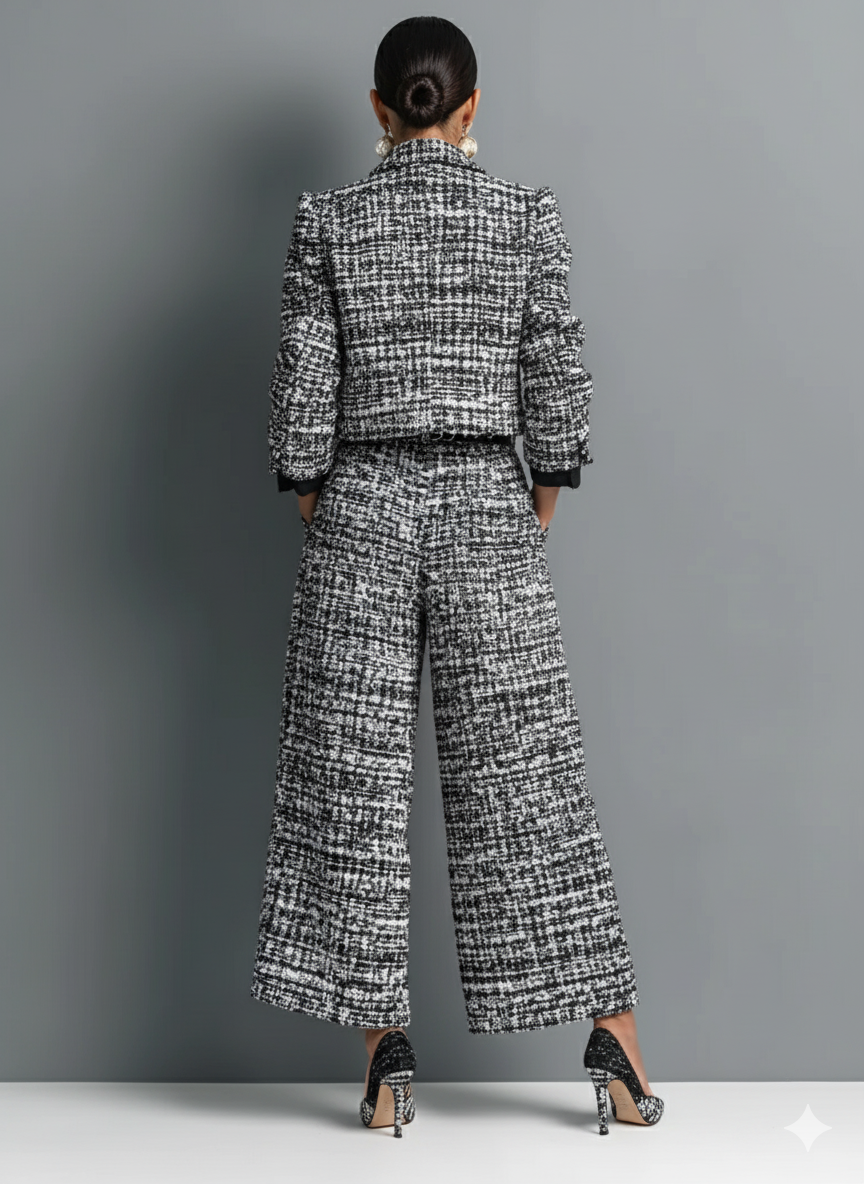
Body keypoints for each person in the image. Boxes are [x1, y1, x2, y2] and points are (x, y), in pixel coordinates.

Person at [250, 15, 663, 1138]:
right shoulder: (525, 215)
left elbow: (303, 388)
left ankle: (383, 1058)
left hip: (363, 504)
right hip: (488, 501)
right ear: (471, 106)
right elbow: (556, 373)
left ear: (379, 108)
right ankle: (616, 1048)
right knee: (527, 780)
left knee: (352, 786)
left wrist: (317, 490)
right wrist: (535, 500)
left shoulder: (328, 220)